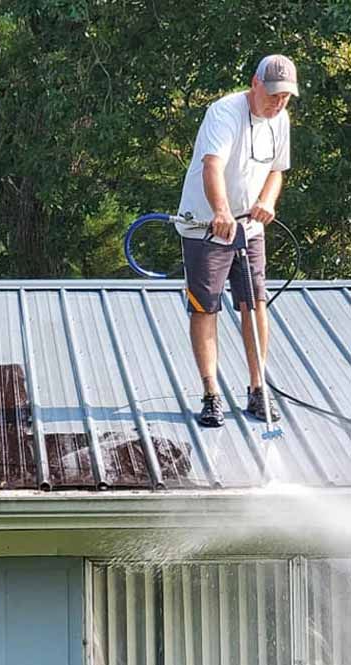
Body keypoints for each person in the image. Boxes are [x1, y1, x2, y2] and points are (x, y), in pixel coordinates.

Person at [176, 54, 298, 428]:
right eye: (273, 94)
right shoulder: (224, 113)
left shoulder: (281, 120)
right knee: (205, 308)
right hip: (207, 227)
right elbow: (212, 165)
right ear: (255, 83)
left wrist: (266, 201)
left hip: (251, 227)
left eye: (285, 97)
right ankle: (212, 394)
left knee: (255, 303)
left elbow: (277, 171)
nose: (277, 103)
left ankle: (258, 389)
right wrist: (222, 211)